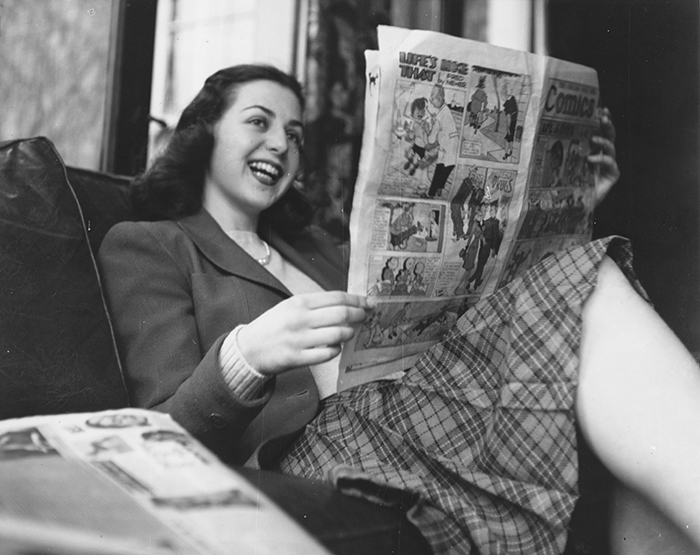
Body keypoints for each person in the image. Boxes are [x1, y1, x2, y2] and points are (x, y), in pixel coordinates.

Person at [98, 65, 700, 555]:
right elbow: (160, 433)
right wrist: (246, 356)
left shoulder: (322, 249)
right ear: (203, 131)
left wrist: (566, 207)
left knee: (587, 291)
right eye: (259, 121)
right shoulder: (150, 245)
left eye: (296, 134)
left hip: (416, 408)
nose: (281, 143)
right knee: (591, 293)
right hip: (318, 449)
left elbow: (480, 297)